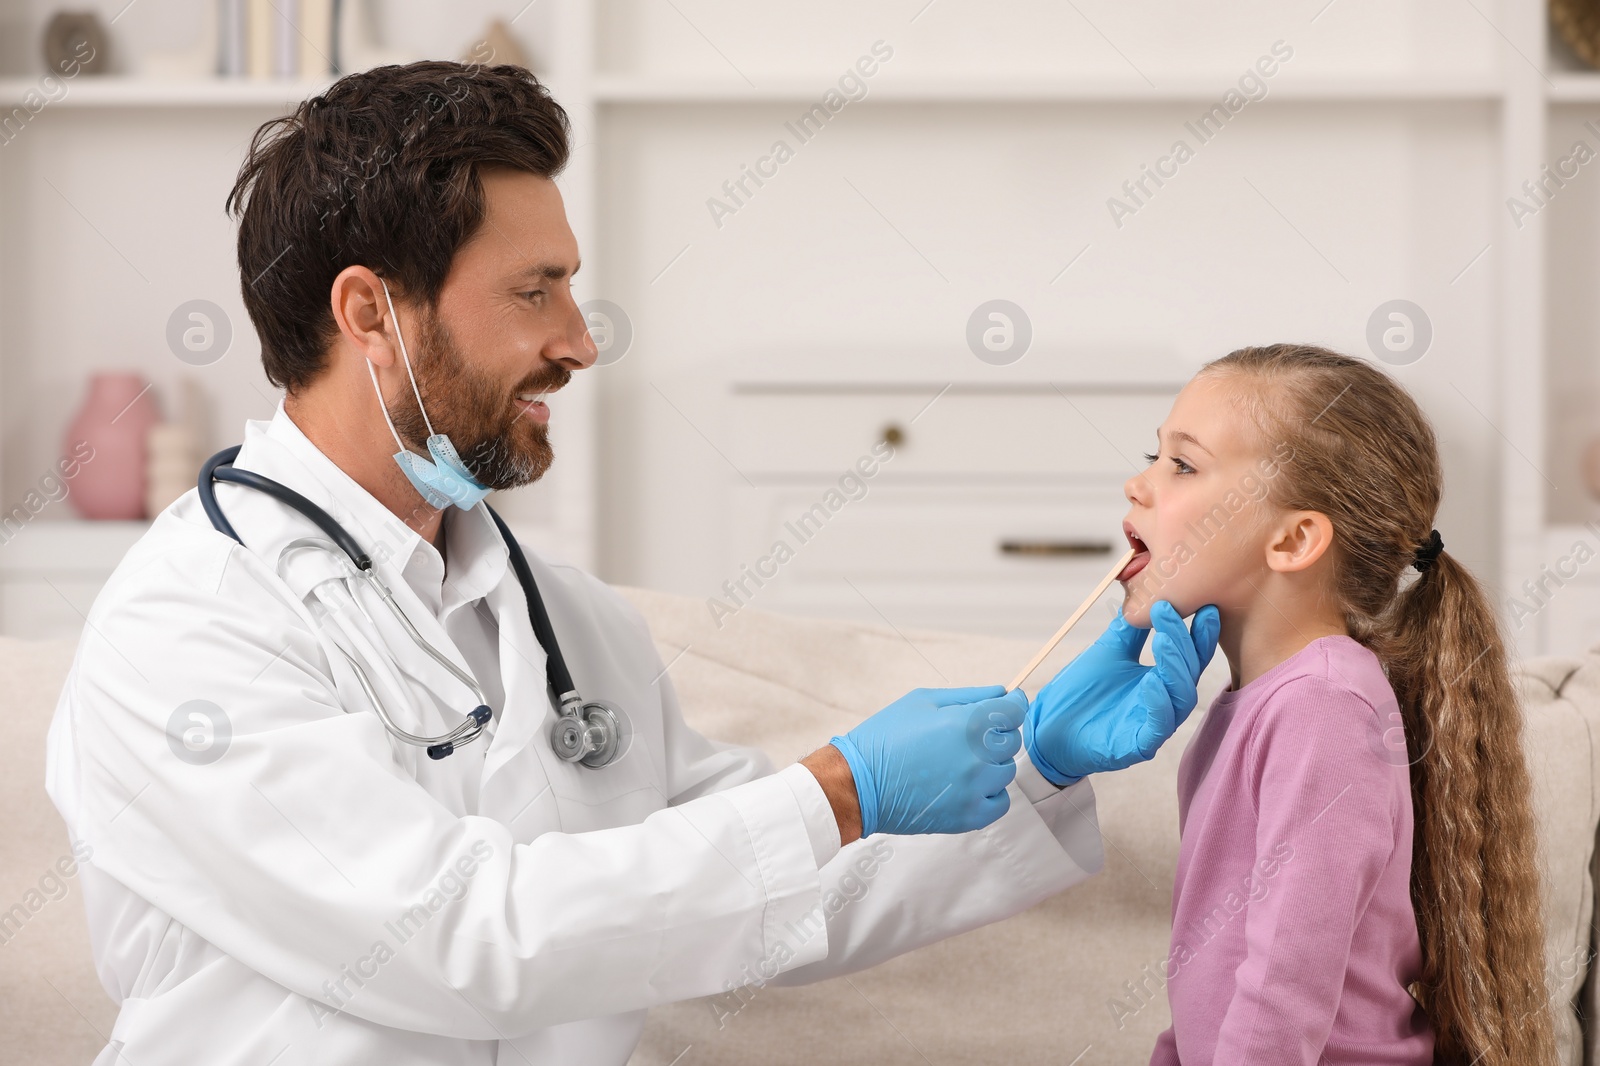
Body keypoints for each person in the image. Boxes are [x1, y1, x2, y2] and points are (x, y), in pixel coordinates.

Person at [43, 61, 1219, 1065]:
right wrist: (839, 785)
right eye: (533, 290)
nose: (580, 339)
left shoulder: (565, 621)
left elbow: (767, 897)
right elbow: (460, 940)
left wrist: (1033, 767)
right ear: (370, 314)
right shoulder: (190, 625)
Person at [1102, 343, 1555, 1065]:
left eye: (1181, 465)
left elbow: (1282, 987)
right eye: (1152, 456)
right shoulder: (1248, 706)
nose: (1137, 485)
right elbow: (1208, 990)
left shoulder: (1324, 708)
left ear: (1292, 539)